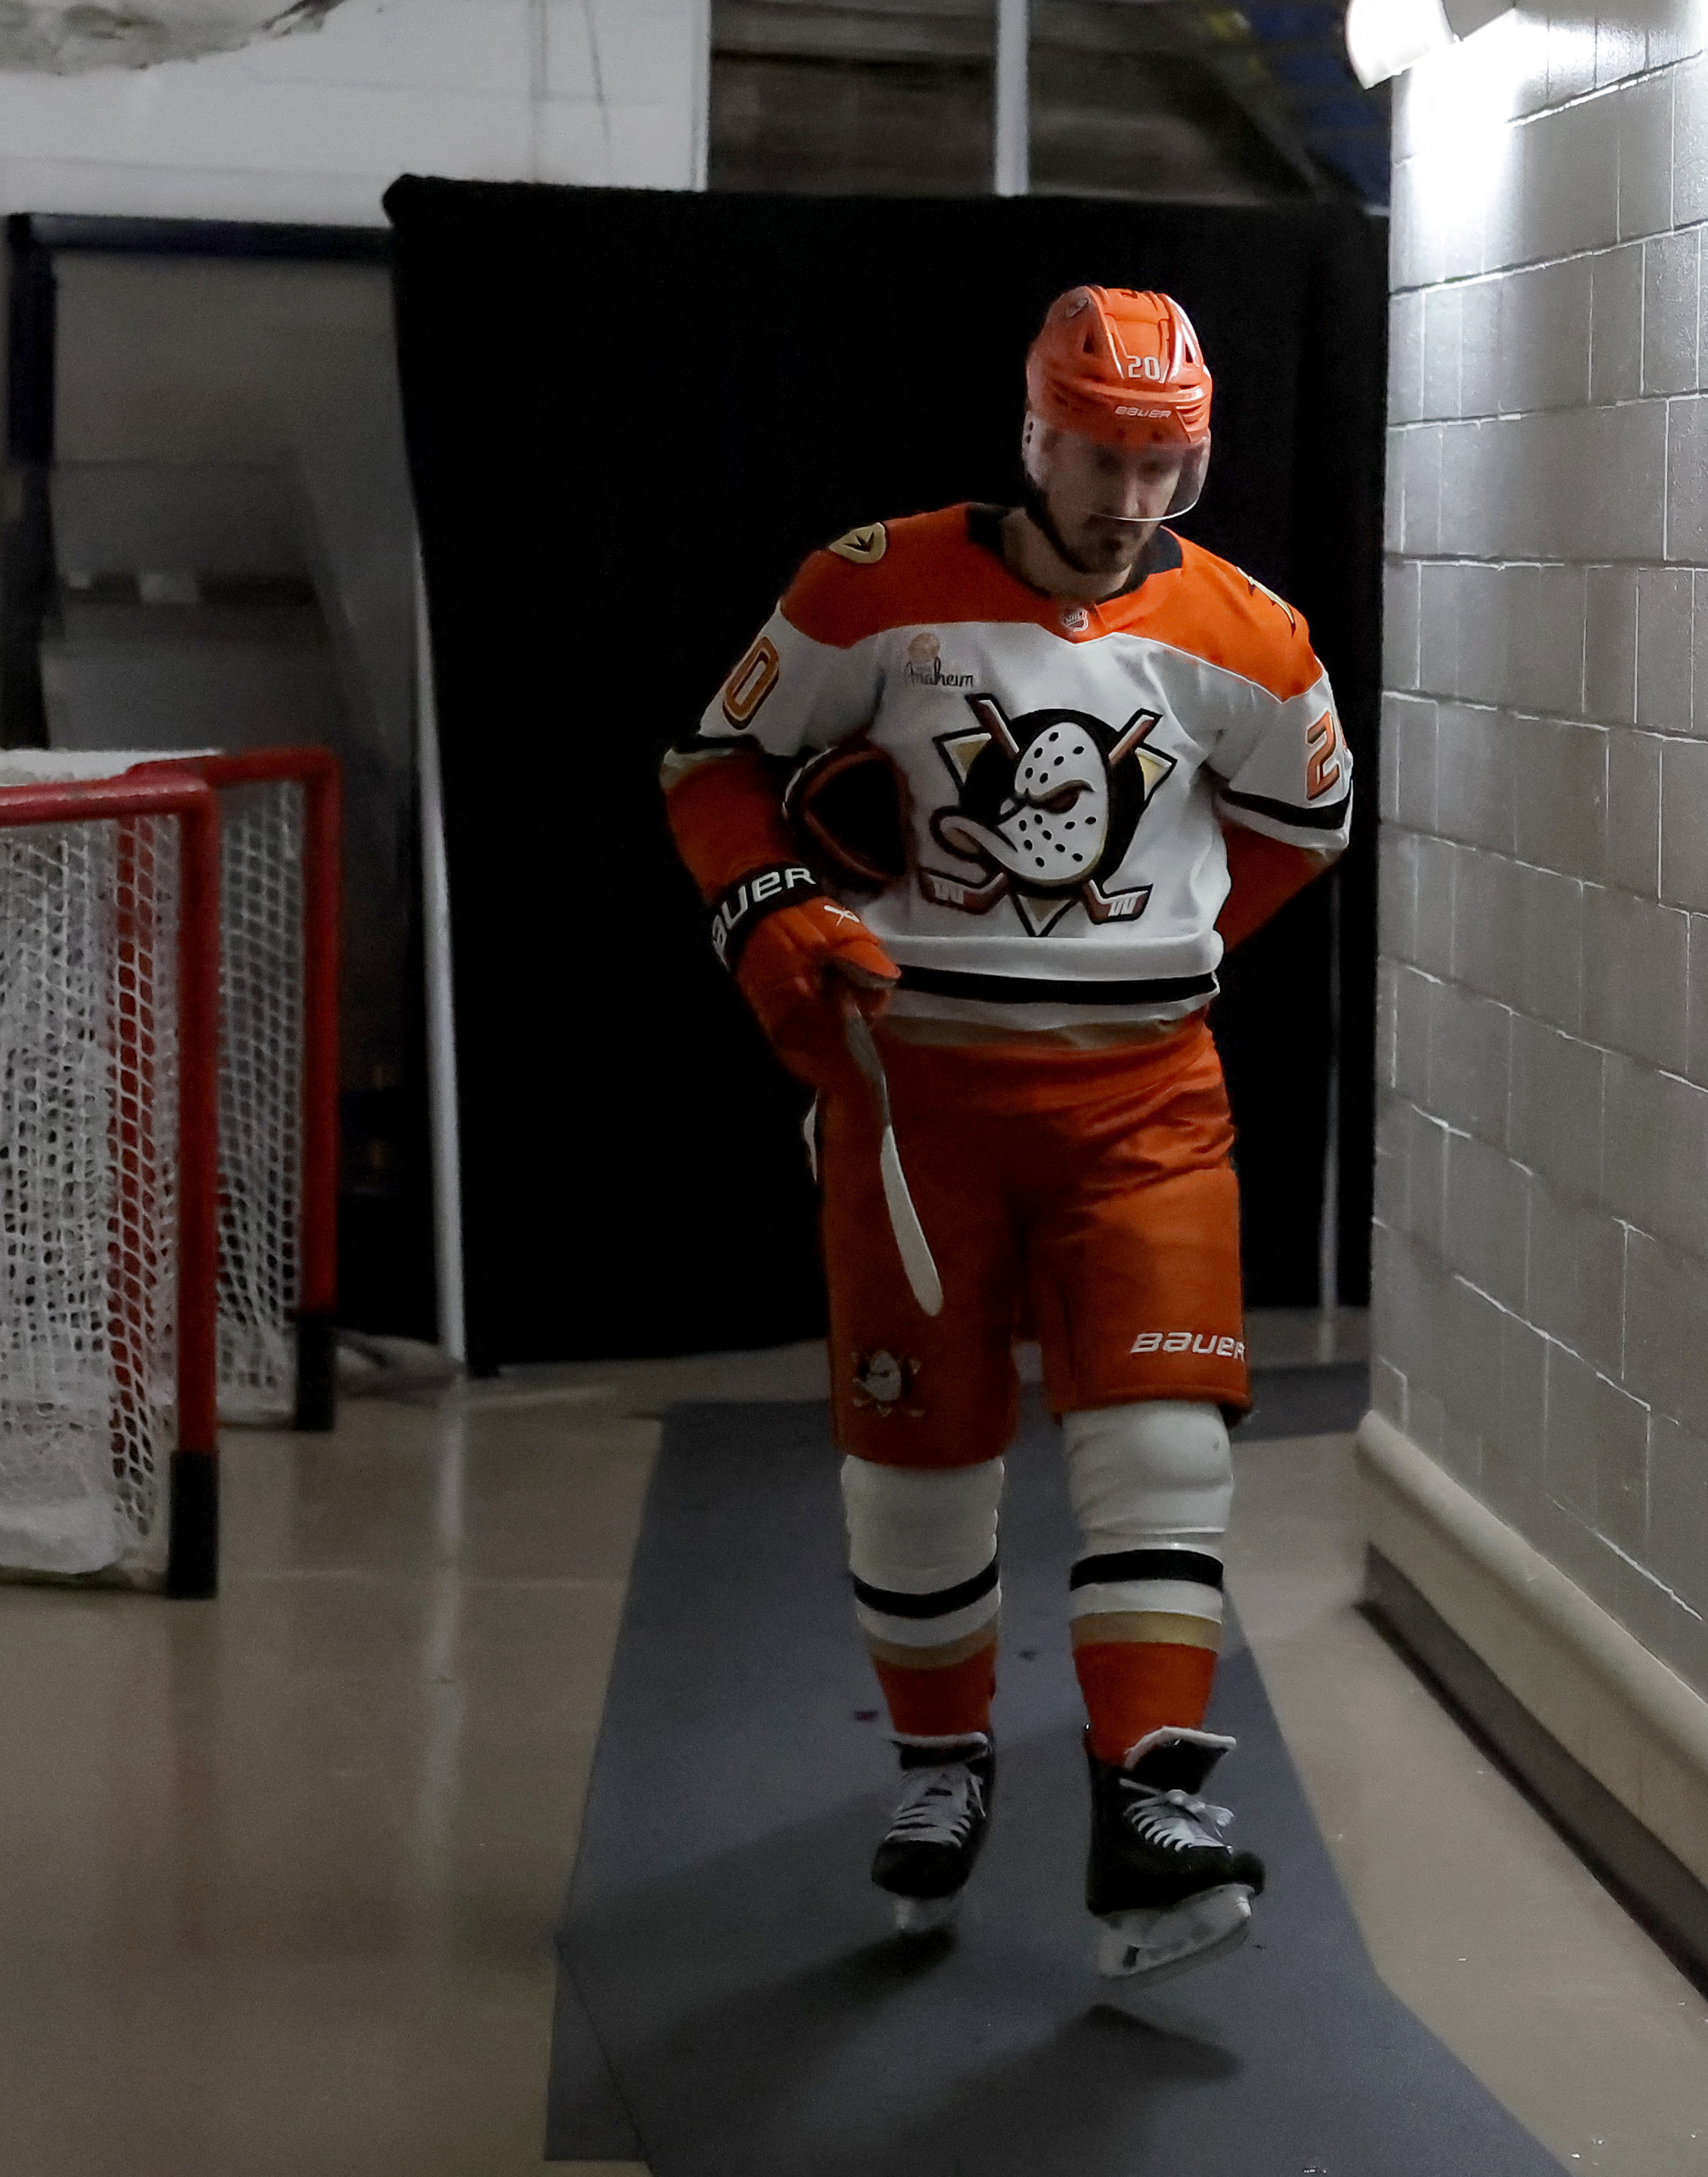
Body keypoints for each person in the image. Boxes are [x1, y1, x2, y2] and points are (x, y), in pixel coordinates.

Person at [661, 286, 1352, 1988]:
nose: (1131, 500)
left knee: (1167, 1442)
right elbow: (714, 767)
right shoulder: (869, 587)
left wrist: (1150, 955)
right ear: (1033, 438)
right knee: (919, 1455)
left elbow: (1305, 827)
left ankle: (1148, 1797)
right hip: (918, 1102)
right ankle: (942, 1768)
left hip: (1147, 1102)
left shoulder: (1253, 639)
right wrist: (771, 921)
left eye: (1167, 466)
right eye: (1104, 458)